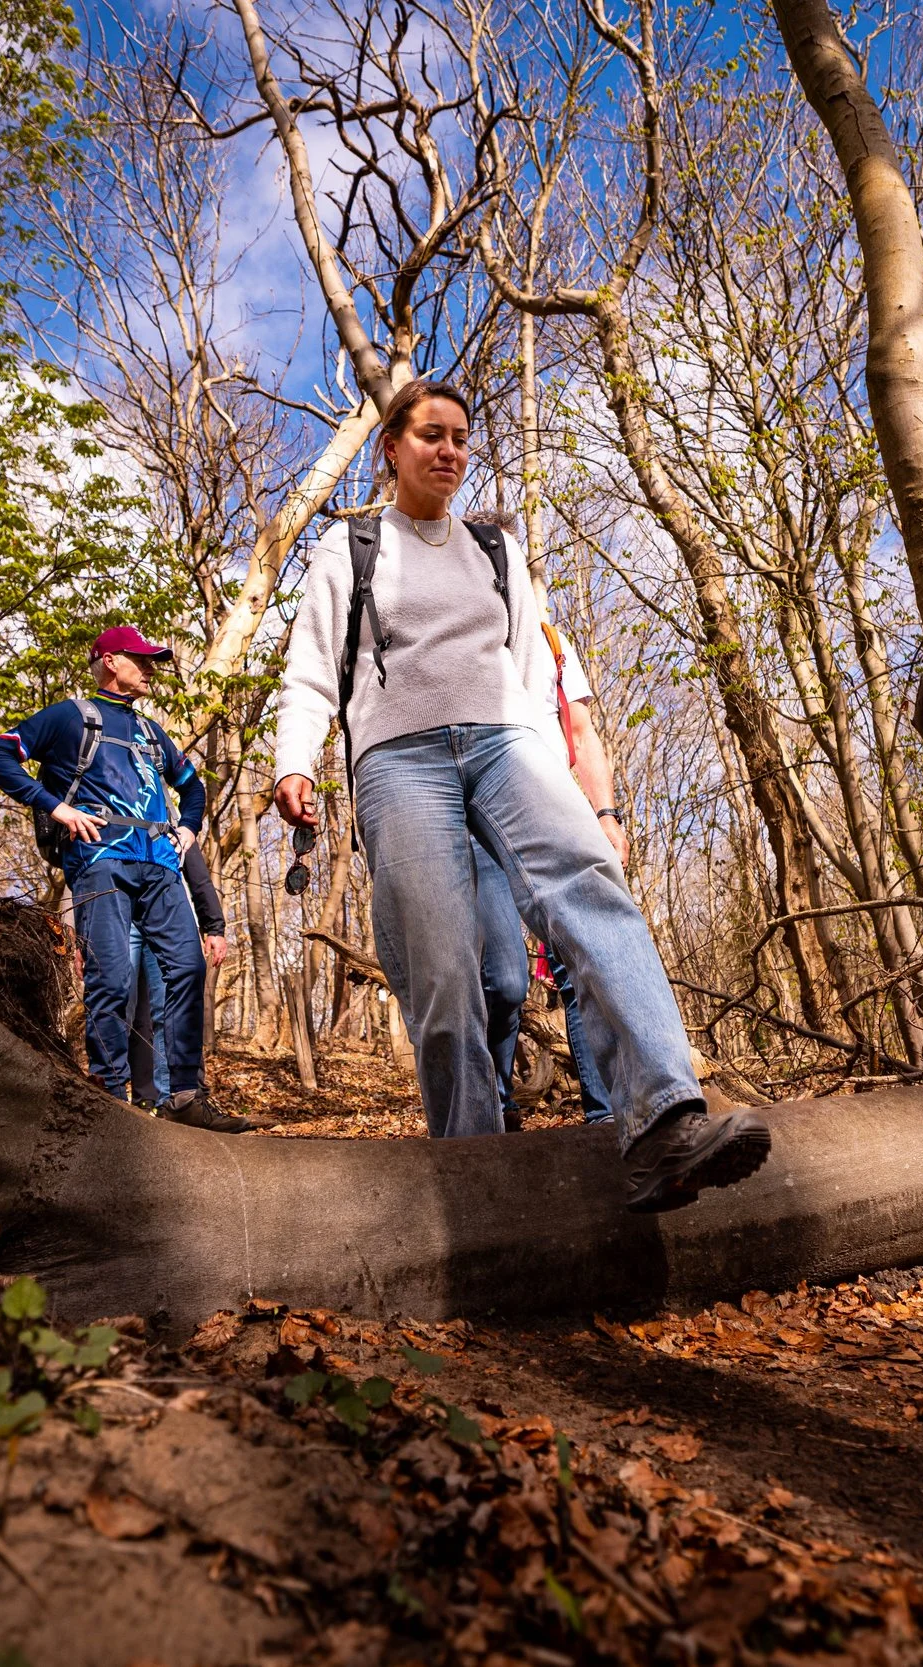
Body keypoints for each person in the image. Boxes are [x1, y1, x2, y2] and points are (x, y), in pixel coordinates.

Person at [269, 377, 768, 1212]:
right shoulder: (348, 549)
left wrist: (576, 794)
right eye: (432, 434)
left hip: (506, 743)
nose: (451, 451)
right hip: (398, 758)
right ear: (391, 448)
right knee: (441, 969)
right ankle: (476, 1176)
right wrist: (294, 761)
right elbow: (312, 671)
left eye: (462, 437)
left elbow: (533, 677)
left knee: (591, 889)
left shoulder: (499, 551)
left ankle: (661, 1121)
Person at [0, 626, 250, 1132]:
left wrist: (188, 829)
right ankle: (111, 1098)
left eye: (152, 661)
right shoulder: (69, 716)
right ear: (108, 661)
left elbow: (193, 790)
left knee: (188, 967)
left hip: (160, 866)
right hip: (99, 861)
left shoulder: (151, 731)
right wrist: (55, 807)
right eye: (139, 659)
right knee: (113, 979)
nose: (149, 668)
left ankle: (185, 1096)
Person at [462, 509, 615, 1126]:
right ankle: (496, 1110)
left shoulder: (553, 642)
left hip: (554, 814)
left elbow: (582, 729)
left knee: (584, 960)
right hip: (478, 820)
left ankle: (604, 1119)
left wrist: (605, 813)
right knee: (502, 979)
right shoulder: (456, 632)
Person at [127, 854, 260, 1128]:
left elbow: (194, 867)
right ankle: (123, 1101)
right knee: (120, 1004)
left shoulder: (169, 813)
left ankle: (174, 1104)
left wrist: (213, 925)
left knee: (169, 1007)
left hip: (162, 910)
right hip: (112, 902)